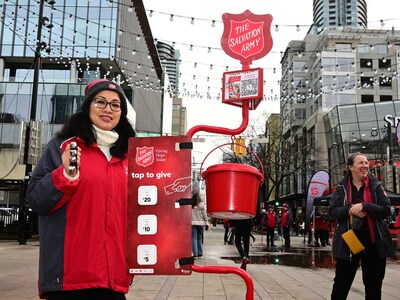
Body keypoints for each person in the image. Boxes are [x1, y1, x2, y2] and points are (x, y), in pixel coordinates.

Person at [27, 79, 136, 299]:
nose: (108, 109)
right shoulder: (63, 146)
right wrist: (64, 175)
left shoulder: (128, 156)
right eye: (101, 102)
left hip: (114, 280)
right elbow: (36, 199)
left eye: (116, 105)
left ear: (122, 113)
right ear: (87, 107)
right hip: (70, 280)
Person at [329, 152, 395, 300]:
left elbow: (386, 210)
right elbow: (332, 212)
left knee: (373, 286)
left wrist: (365, 206)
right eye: (361, 163)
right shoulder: (341, 188)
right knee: (341, 285)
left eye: (366, 163)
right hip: (349, 243)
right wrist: (350, 209)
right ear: (351, 167)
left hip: (374, 243)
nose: (365, 166)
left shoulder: (376, 186)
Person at [192, 193, 208, 258]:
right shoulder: (201, 205)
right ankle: (200, 252)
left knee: (194, 238)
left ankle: (195, 253)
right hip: (201, 223)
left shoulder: (191, 205)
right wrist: (206, 223)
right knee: (199, 238)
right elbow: (204, 215)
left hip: (193, 223)